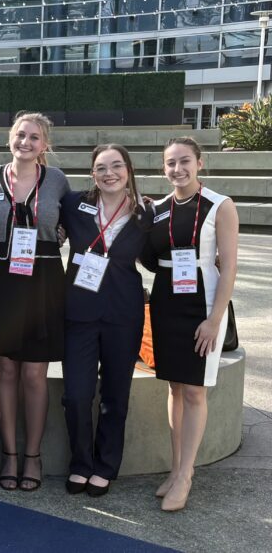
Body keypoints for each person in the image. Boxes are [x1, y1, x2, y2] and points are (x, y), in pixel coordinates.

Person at [141, 137, 238, 512]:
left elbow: (228, 266)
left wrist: (215, 320)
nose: (177, 169)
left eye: (184, 161)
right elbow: (150, 258)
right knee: (175, 388)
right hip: (166, 299)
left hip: (202, 303)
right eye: (170, 163)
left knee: (195, 390)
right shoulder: (160, 208)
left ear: (199, 163)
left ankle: (186, 474)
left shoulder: (219, 205)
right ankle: (175, 467)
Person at [0, 112, 70, 491]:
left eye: (35, 137)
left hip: (45, 281)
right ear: (9, 139)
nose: (26, 142)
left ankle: (32, 456)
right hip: (3, 278)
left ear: (45, 144)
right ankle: (10, 454)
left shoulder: (58, 181)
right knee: (6, 371)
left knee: (35, 373)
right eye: (21, 135)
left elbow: (74, 223)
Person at [59, 145, 154, 497]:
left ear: (128, 170)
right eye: (101, 167)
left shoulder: (145, 212)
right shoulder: (73, 204)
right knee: (76, 395)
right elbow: (51, 233)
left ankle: (105, 465)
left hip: (122, 313)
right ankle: (81, 463)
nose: (109, 173)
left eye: (117, 166)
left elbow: (156, 259)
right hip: (79, 313)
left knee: (115, 396)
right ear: (92, 173)